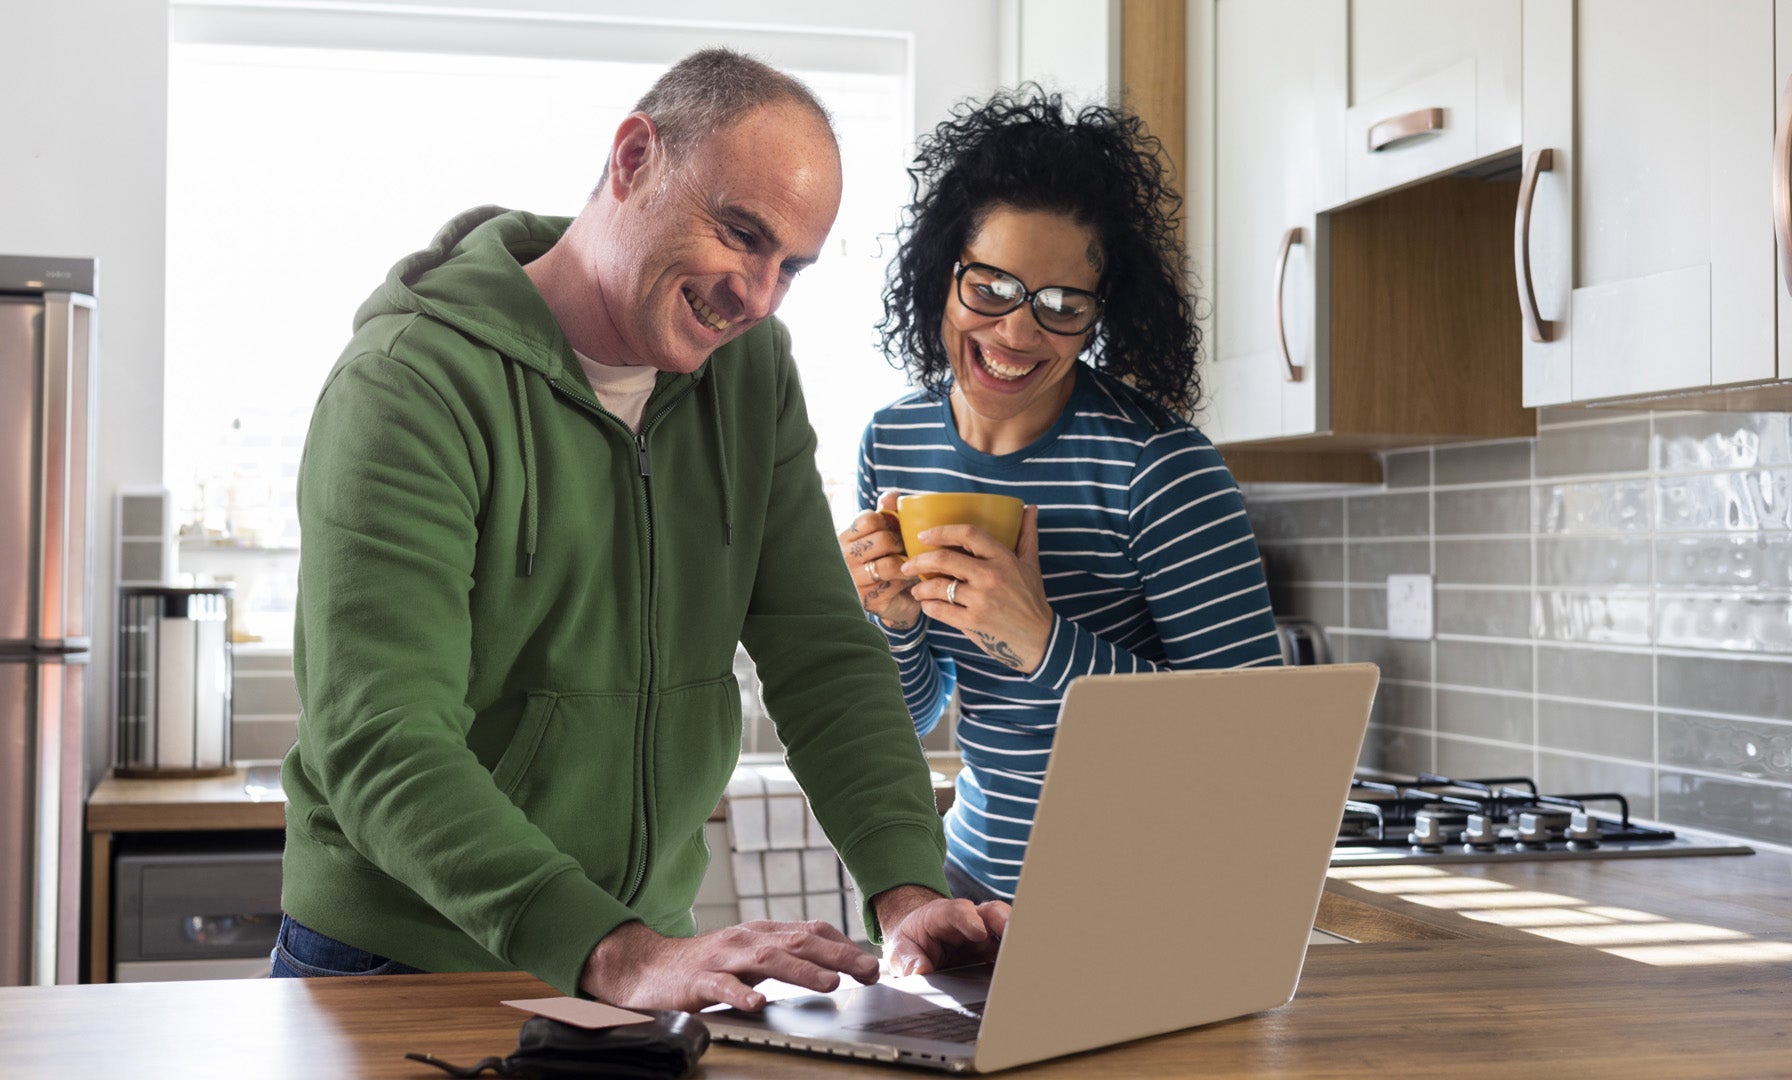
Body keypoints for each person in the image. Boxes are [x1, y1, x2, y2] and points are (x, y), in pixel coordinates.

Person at [276, 48, 1006, 1012]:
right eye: (741, 234)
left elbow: (821, 656)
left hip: (637, 967)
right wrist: (614, 951)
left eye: (791, 267)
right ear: (632, 160)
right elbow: (379, 738)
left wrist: (906, 892)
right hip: (404, 963)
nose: (757, 296)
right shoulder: (410, 382)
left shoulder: (752, 378)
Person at [837, 89, 1286, 904]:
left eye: (1060, 306)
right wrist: (895, 623)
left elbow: (1256, 749)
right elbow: (914, 710)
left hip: (1134, 897)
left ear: (1097, 317)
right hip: (965, 877)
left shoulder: (1160, 467)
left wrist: (1043, 640)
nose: (1016, 332)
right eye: (991, 287)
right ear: (944, 274)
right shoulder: (893, 443)